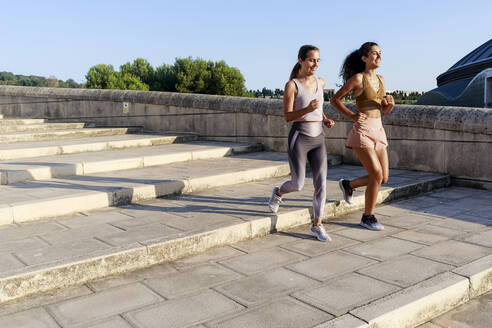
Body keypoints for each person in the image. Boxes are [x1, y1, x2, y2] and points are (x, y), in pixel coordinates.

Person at [268, 45, 335, 242]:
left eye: (318, 60)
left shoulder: (320, 82)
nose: (315, 64)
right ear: (301, 60)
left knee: (321, 182)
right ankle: (278, 192)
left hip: (318, 137)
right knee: (297, 184)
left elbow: (319, 107)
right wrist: (306, 109)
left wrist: (324, 119)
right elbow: (288, 116)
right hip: (300, 137)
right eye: (311, 60)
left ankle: (317, 225)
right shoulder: (292, 85)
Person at [330, 42, 394, 231]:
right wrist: (352, 115)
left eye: (380, 53)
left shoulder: (382, 79)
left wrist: (389, 105)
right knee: (376, 173)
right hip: (363, 130)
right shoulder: (358, 79)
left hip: (378, 129)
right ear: (364, 58)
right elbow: (335, 99)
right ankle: (368, 217)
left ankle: (348, 185)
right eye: (374, 54)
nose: (379, 57)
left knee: (383, 178)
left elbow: (384, 110)